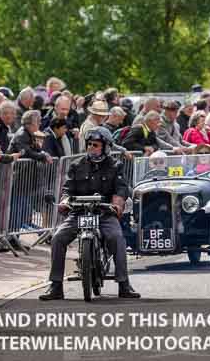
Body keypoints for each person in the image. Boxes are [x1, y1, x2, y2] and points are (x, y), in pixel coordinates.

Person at [39, 127, 140, 300]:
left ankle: (124, 284)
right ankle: (55, 286)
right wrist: (64, 201)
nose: (91, 147)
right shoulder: (77, 165)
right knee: (57, 238)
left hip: (104, 212)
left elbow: (121, 189)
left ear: (106, 147)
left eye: (96, 145)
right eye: (89, 144)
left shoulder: (115, 165)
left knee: (116, 237)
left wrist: (116, 205)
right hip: (79, 211)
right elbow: (67, 188)